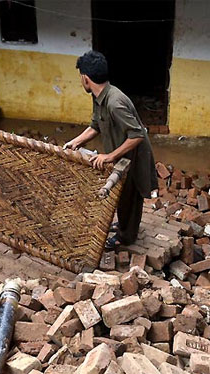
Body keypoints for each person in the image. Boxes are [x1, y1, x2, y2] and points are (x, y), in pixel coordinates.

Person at [64, 50, 157, 250]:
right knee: (122, 194)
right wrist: (76, 142)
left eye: (81, 77)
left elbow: (137, 135)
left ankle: (126, 237)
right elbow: (95, 125)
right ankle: (124, 226)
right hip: (122, 152)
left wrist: (109, 156)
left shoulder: (115, 103)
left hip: (134, 154)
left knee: (130, 195)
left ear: (85, 78)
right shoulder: (100, 97)